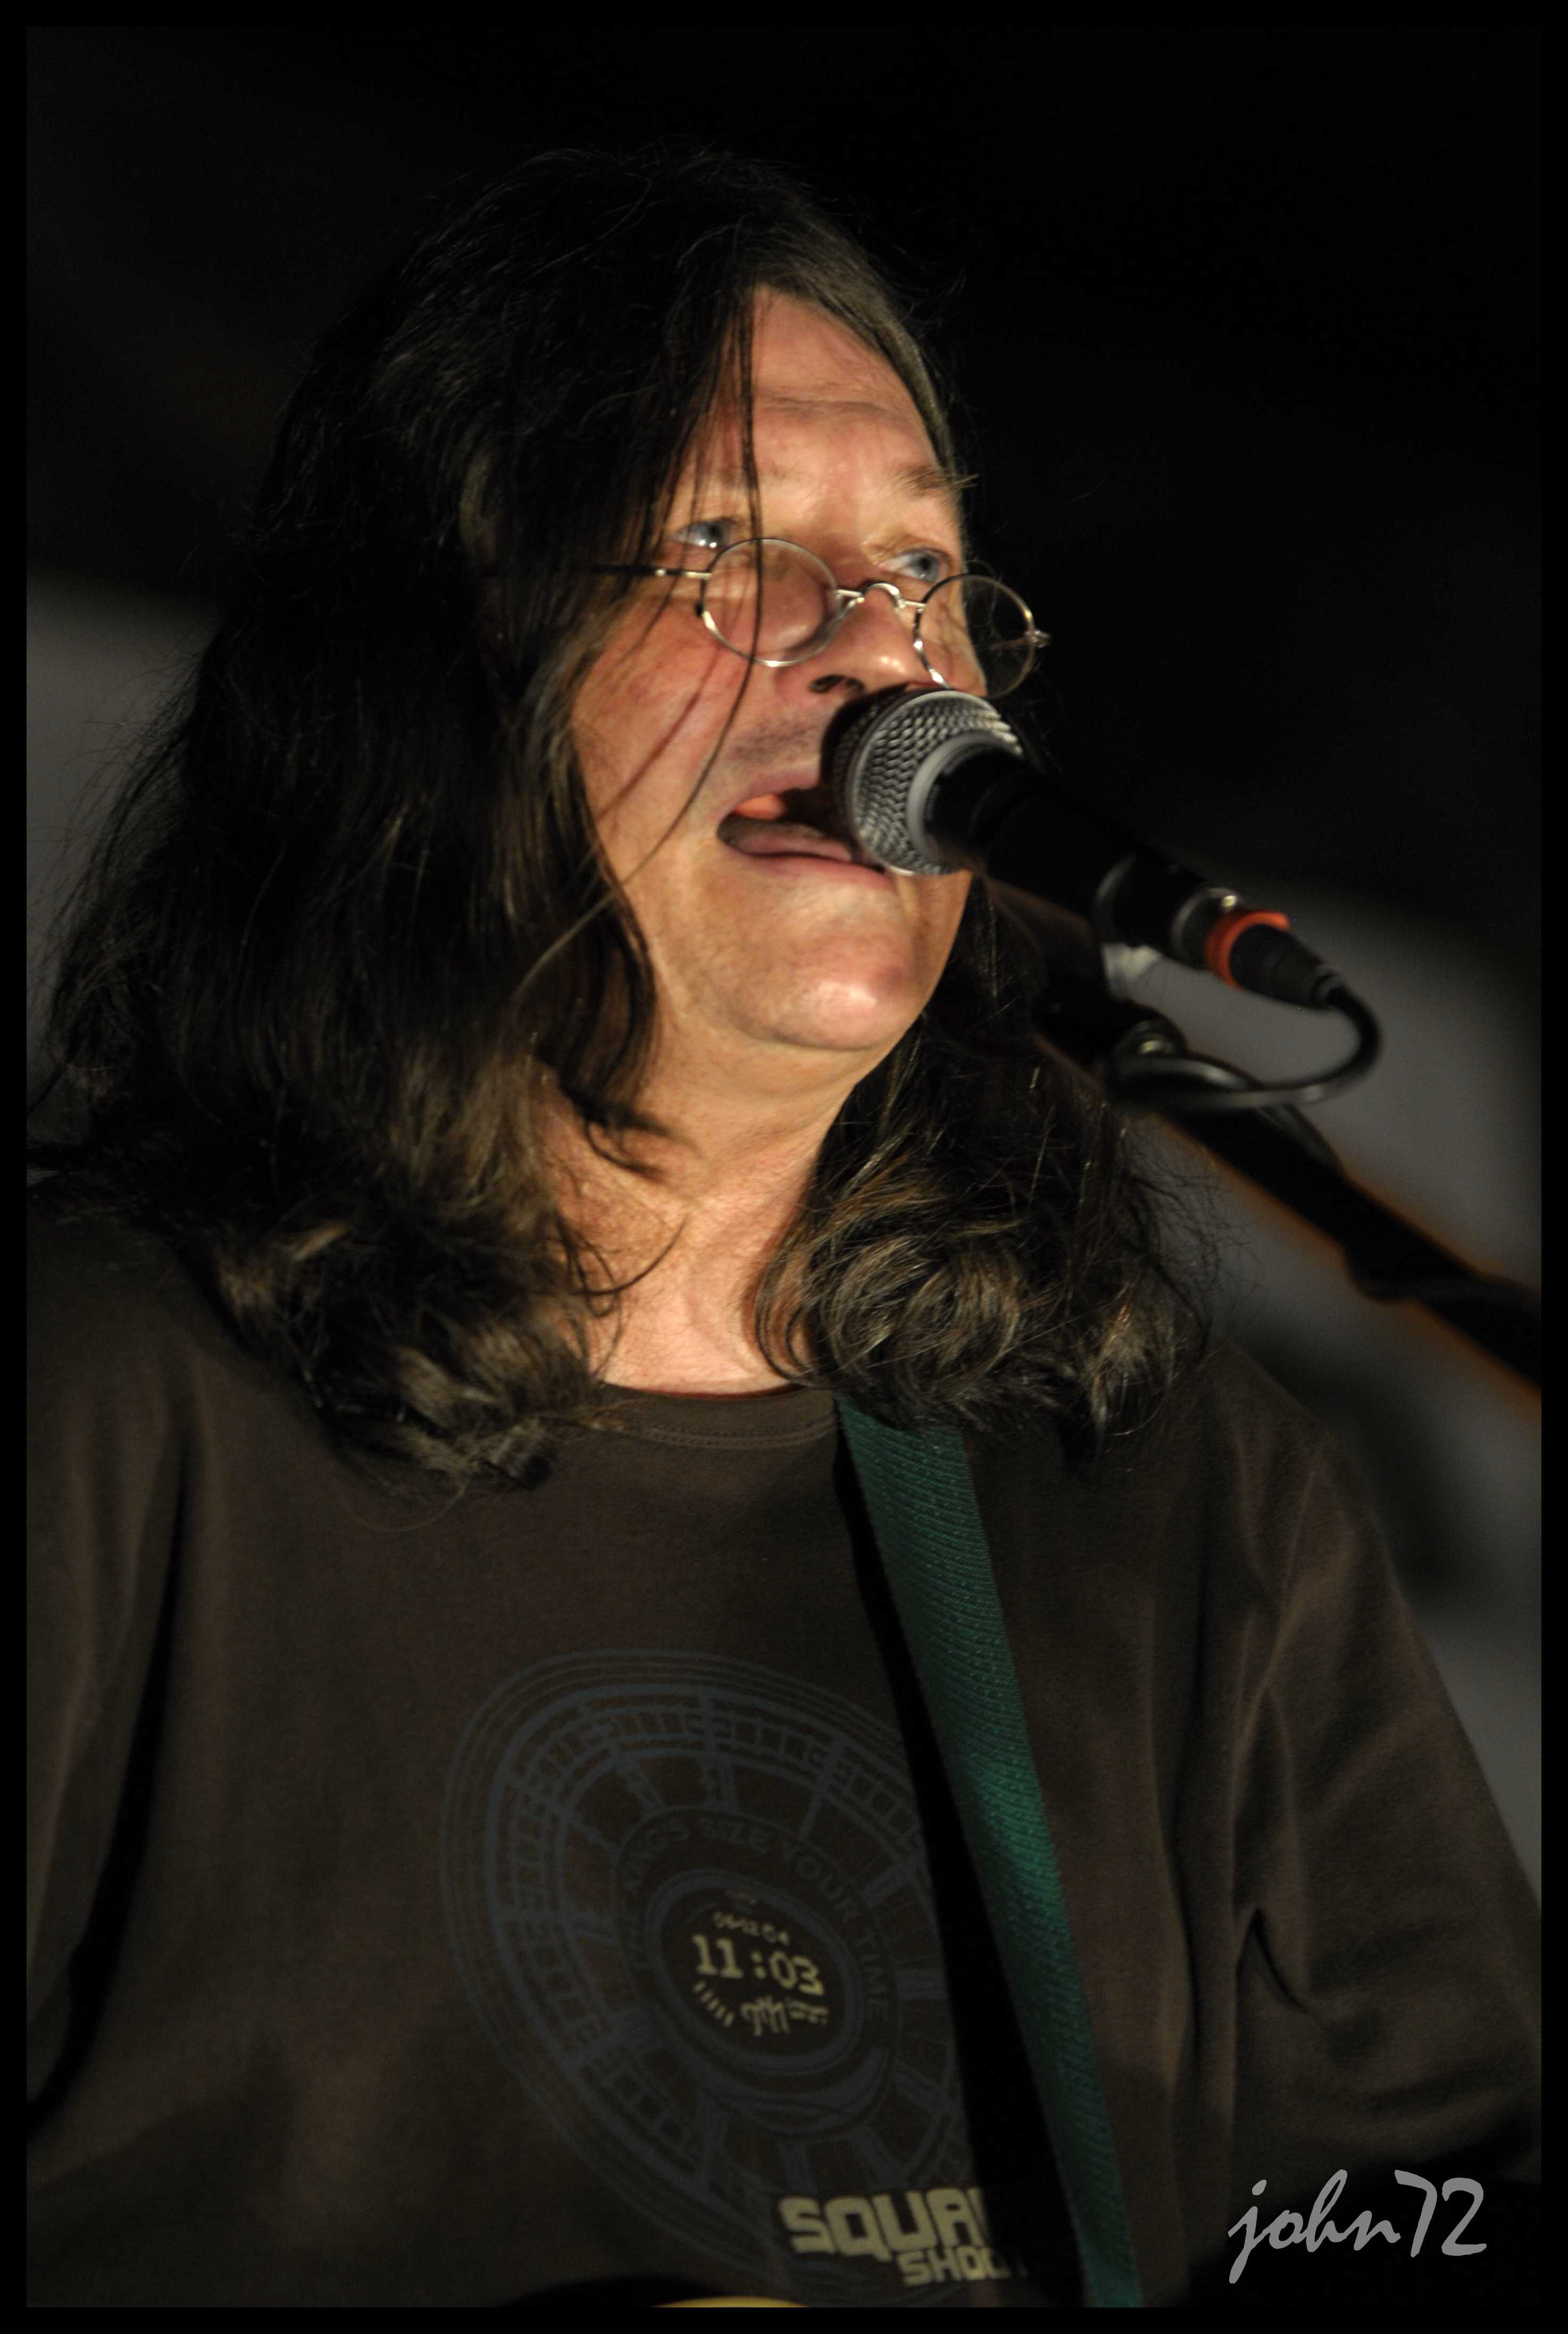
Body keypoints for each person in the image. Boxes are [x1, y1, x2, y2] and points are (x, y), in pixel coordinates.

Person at [27, 145, 1539, 2308]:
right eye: (724, 553)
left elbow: (1430, 2211)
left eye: (924, 571)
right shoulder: (102, 1394)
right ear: (426, 677)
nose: (880, 659)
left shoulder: (1161, 1490)